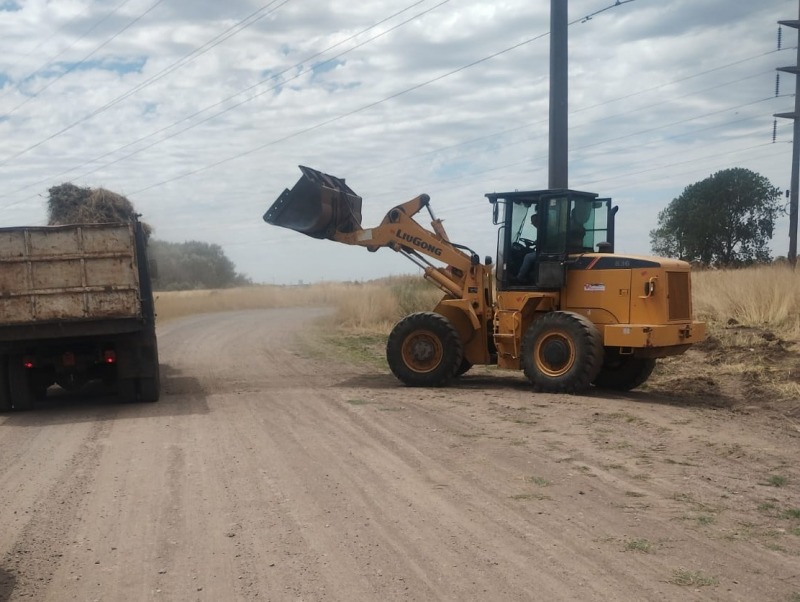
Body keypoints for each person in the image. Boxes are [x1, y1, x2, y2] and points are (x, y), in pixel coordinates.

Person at [516, 212, 539, 282]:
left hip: (544, 252)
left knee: (528, 257)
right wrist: (532, 243)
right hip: (541, 250)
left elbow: (540, 241)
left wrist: (534, 243)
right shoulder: (541, 229)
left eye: (534, 222)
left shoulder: (543, 229)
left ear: (537, 221)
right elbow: (537, 241)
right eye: (532, 223)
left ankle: (520, 276)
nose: (533, 224)